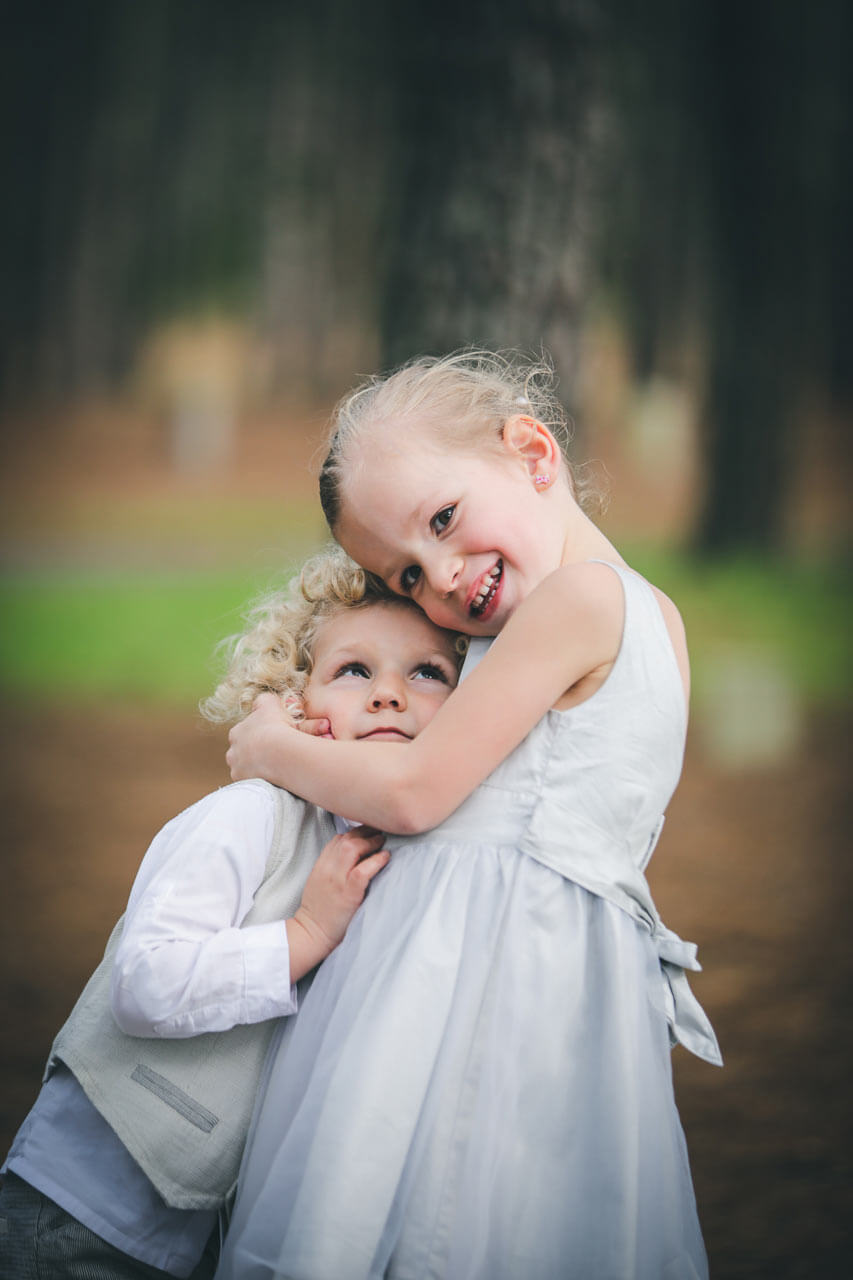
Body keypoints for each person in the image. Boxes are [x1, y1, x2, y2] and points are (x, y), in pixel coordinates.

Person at [217, 352, 723, 1280]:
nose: (441, 577)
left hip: (481, 986)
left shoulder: (579, 600)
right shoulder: (653, 620)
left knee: (435, 1218)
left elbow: (416, 792)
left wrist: (270, 749)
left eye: (443, 520)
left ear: (533, 452)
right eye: (405, 576)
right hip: (563, 989)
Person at [0, 546, 464, 1280]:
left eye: (427, 673)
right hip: (85, 1213)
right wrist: (305, 933)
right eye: (353, 670)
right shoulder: (249, 817)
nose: (388, 695)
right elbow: (145, 982)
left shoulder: (393, 851)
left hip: (190, 1237)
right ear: (291, 700)